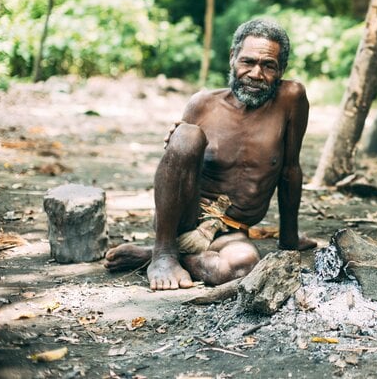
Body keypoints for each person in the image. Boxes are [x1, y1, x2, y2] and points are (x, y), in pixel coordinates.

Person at [105, 19, 316, 290]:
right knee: (186, 135)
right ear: (232, 59)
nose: (255, 73)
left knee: (241, 267)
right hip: (183, 220)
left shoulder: (291, 99)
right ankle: (164, 253)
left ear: (281, 69)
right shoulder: (203, 103)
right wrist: (178, 140)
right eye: (247, 62)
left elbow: (290, 169)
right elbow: (177, 168)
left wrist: (289, 240)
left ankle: (151, 255)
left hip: (230, 230)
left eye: (268, 66)